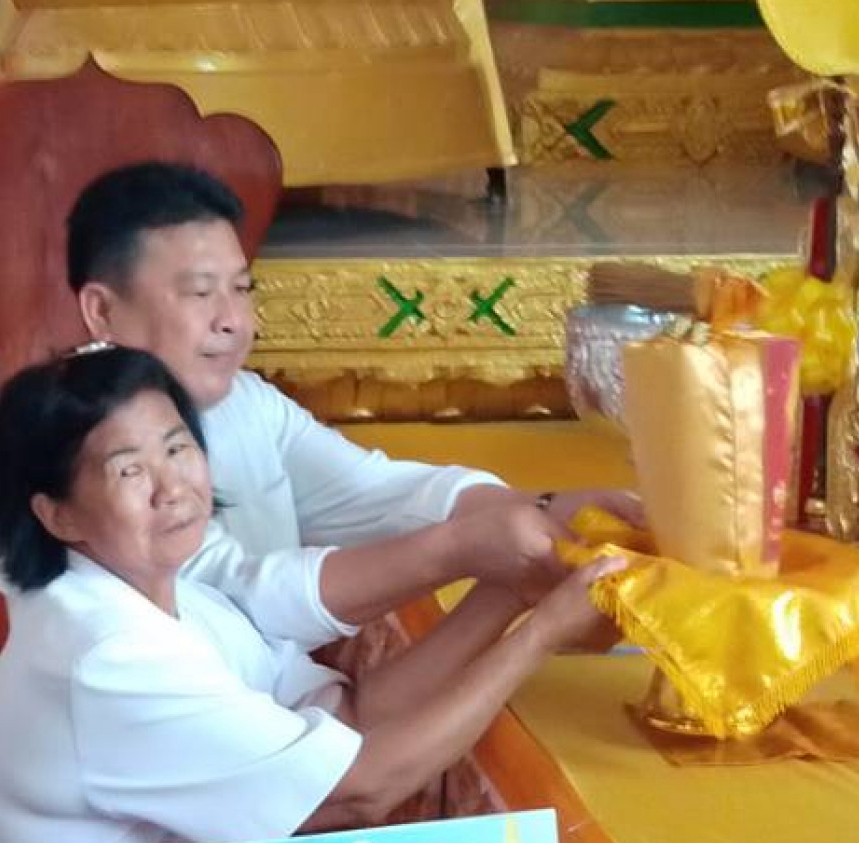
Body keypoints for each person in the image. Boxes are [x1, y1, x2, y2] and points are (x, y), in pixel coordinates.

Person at [0, 346, 617, 843]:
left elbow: (352, 718)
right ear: (58, 515)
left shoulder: (173, 596)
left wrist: (509, 593)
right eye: (129, 471)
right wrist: (539, 636)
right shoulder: (108, 653)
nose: (172, 487)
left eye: (178, 448)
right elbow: (360, 791)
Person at [65, 162, 641, 603]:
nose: (233, 320)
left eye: (241, 289)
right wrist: (456, 551)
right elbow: (245, 592)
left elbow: (376, 493)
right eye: (199, 292)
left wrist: (549, 509)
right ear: (102, 311)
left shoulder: (246, 402)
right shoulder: (73, 445)